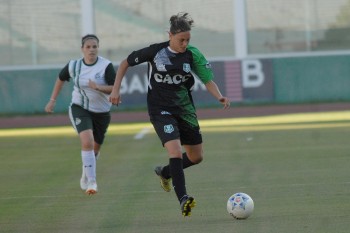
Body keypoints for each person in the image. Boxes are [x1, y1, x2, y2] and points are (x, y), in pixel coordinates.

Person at [109, 12, 230, 216]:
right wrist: (115, 89)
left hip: (185, 110)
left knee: (196, 156)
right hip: (160, 109)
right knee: (174, 151)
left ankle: (165, 172)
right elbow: (124, 63)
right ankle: (183, 198)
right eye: (181, 40)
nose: (184, 44)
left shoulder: (192, 54)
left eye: (187, 40)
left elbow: (207, 79)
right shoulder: (155, 52)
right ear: (170, 35)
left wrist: (219, 96)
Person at [45, 34, 116, 195]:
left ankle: (87, 171)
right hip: (80, 108)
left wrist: (98, 87)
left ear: (98, 48)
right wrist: (52, 100)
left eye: (94, 46)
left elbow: (114, 88)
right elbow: (61, 78)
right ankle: (92, 182)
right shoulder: (74, 66)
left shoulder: (106, 66)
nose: (91, 50)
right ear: (82, 49)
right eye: (88, 47)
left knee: (95, 148)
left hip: (102, 112)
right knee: (87, 141)